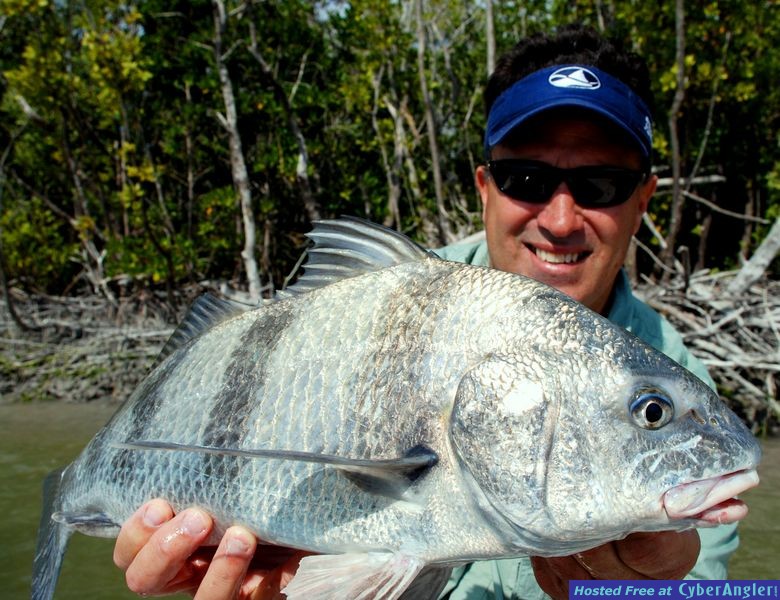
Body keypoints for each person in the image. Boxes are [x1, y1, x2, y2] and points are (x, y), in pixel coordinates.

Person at [113, 25, 739, 600]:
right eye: (525, 179)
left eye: (601, 185)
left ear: (644, 198)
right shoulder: (386, 301)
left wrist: (636, 591)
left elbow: (705, 584)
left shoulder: (677, 370)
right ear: (484, 187)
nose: (559, 219)